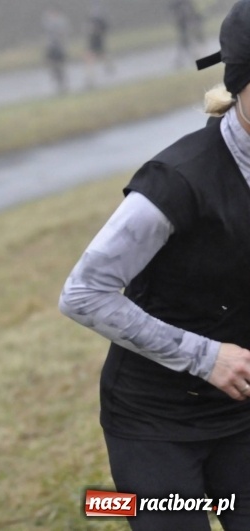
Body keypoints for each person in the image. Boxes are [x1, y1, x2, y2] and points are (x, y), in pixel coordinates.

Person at [59, 2, 250, 529]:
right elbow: (83, 292)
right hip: (156, 422)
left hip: (241, 415)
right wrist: (204, 356)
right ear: (241, 82)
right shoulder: (178, 179)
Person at [42, 5, 71, 95]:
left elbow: (63, 33)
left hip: (59, 47)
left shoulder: (61, 21)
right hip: (51, 47)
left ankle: (63, 85)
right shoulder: (48, 22)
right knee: (52, 65)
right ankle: (57, 83)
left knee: (60, 66)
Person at [84, 0, 113, 88]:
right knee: (90, 57)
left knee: (100, 55)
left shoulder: (99, 16)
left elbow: (104, 28)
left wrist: (97, 30)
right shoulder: (92, 16)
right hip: (92, 40)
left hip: (97, 39)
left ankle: (108, 67)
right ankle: (90, 77)